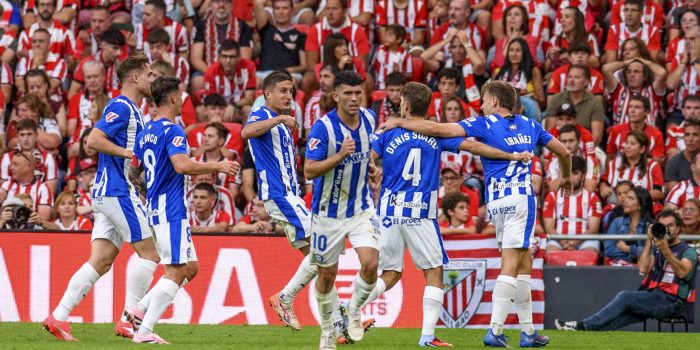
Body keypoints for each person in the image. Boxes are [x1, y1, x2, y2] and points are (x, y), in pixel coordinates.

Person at [377, 80, 573, 348]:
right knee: (512, 263)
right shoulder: (531, 126)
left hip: (496, 202)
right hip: (520, 199)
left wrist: (400, 122)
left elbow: (436, 128)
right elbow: (563, 151)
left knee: (523, 262)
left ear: (494, 102)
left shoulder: (483, 124)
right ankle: (495, 329)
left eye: (483, 100)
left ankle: (528, 332)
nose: (480, 105)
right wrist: (567, 176)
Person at [42, 56, 158, 341]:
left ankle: (58, 316)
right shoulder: (121, 106)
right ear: (134, 77)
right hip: (117, 192)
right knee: (151, 253)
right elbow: (92, 140)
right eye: (149, 74)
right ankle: (130, 321)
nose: (153, 79)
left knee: (101, 260)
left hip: (109, 192)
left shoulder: (133, 110)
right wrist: (127, 154)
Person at [126, 76, 239, 344]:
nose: (182, 100)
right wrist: (218, 166)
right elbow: (181, 165)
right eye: (181, 96)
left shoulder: (145, 132)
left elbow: (133, 171)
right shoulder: (173, 130)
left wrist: (150, 191)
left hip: (156, 207)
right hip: (171, 208)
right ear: (174, 98)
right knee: (175, 271)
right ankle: (144, 331)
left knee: (190, 268)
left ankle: (139, 309)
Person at [242, 71, 345, 339]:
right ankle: (285, 298)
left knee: (321, 260)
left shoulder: (282, 124)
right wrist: (278, 119)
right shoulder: (264, 115)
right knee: (325, 248)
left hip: (290, 196)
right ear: (268, 94)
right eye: (283, 91)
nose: (289, 96)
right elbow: (246, 131)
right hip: (281, 195)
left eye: (291, 91)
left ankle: (338, 324)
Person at [304, 70, 382, 348]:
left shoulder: (370, 119)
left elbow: (368, 151)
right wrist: (339, 156)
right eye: (347, 93)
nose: (353, 98)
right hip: (327, 214)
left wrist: (371, 166)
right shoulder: (323, 128)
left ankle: (354, 309)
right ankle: (327, 332)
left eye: (357, 93)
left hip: (361, 208)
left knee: (371, 264)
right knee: (326, 275)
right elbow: (309, 170)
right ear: (335, 95)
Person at [556, 210, 697, 331]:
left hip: (673, 302)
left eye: (670, 225)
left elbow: (683, 272)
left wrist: (665, 249)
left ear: (678, 228)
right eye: (663, 226)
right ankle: (582, 329)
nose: (667, 229)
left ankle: (583, 325)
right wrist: (649, 240)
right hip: (655, 297)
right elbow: (643, 268)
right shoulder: (658, 248)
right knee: (624, 316)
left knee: (625, 297)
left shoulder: (688, 251)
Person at [543, 155, 602, 254]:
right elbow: (549, 228)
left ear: (583, 175)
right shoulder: (552, 196)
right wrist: (564, 243)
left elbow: (593, 229)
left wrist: (574, 242)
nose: (570, 177)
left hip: (585, 241)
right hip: (557, 240)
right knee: (551, 253)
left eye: (575, 173)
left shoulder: (593, 198)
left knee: (589, 254)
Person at [600, 131, 664, 202]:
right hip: (615, 206)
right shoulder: (613, 164)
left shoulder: (653, 166)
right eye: (626, 143)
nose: (627, 146)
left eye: (632, 144)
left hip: (642, 208)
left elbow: (659, 193)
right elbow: (604, 182)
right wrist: (603, 189)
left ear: (642, 149)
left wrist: (636, 198)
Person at [253, 0, 307, 83]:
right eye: (277, 8)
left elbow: (304, 66)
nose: (281, 12)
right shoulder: (266, 29)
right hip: (264, 74)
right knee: (255, 81)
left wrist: (285, 70)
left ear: (292, 11)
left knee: (291, 82)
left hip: (290, 74)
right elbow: (258, 4)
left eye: (285, 8)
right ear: (273, 11)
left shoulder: (300, 35)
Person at [603, 186, 654, 265]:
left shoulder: (651, 225)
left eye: (630, 198)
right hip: (620, 267)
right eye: (626, 198)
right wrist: (636, 254)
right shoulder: (617, 222)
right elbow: (609, 250)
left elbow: (653, 252)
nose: (625, 201)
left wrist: (628, 249)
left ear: (640, 205)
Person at [665, 117, 700, 191]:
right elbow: (674, 194)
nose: (690, 139)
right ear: (683, 137)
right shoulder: (673, 163)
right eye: (687, 135)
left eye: (695, 135)